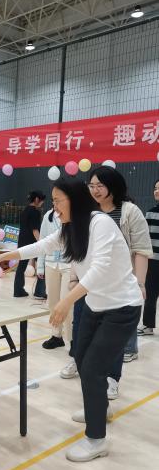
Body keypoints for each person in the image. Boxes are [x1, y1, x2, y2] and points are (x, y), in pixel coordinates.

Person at [0, 180, 143, 463]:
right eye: (53, 201)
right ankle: (99, 408)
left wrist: (66, 301)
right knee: (80, 357)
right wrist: (6, 256)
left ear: (75, 200)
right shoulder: (71, 227)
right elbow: (43, 245)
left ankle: (96, 439)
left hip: (122, 307)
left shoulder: (100, 224)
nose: (54, 207)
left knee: (92, 368)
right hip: (96, 305)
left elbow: (101, 269)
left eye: (58, 201)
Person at [88, 166, 151, 400]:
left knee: (113, 338)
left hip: (121, 285)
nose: (95, 190)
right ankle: (86, 368)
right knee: (90, 334)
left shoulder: (129, 211)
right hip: (92, 283)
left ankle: (112, 379)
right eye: (91, 185)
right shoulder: (90, 212)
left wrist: (140, 284)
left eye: (100, 185)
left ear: (113, 186)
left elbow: (141, 249)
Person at [37, 208, 72, 349]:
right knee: (52, 301)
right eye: (53, 199)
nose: (55, 203)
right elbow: (42, 240)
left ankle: (71, 339)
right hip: (51, 263)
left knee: (67, 303)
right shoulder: (48, 215)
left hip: (69, 264)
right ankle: (56, 335)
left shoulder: (73, 213)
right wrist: (40, 266)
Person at [13, 190, 46, 298]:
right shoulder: (35, 212)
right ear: (36, 199)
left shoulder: (25, 210)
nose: (42, 203)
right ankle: (39, 291)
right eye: (42, 201)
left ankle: (18, 290)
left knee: (21, 267)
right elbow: (35, 230)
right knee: (42, 265)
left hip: (22, 241)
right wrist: (42, 243)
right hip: (32, 244)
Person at [138, 179, 159, 336]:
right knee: (150, 293)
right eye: (155, 188)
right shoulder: (150, 212)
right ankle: (148, 325)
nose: (156, 191)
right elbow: (145, 238)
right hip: (153, 260)